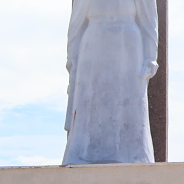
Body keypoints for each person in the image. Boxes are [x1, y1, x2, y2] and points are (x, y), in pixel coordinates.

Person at [62, 0, 159, 165]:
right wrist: (72, 58)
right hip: (93, 42)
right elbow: (76, 23)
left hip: (128, 43)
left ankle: (134, 156)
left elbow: (149, 21)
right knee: (89, 102)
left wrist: (150, 57)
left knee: (128, 104)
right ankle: (83, 156)